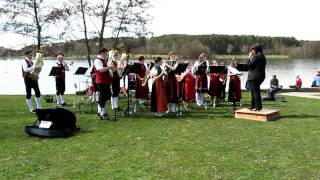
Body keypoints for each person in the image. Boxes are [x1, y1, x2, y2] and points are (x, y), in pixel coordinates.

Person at [93, 48, 114, 120]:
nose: (106, 55)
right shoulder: (97, 60)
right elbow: (100, 70)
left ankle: (100, 112)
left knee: (107, 95)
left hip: (106, 81)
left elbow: (108, 70)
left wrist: (111, 69)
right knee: (103, 96)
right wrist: (109, 67)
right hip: (100, 81)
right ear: (102, 53)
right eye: (105, 54)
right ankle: (102, 113)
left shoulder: (104, 61)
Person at [247, 44, 266, 111]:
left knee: (255, 92)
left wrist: (249, 57)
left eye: (253, 50)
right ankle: (253, 106)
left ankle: (258, 107)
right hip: (260, 76)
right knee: (254, 91)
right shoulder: (263, 56)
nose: (252, 51)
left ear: (256, 50)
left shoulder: (256, 56)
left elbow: (248, 65)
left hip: (254, 77)